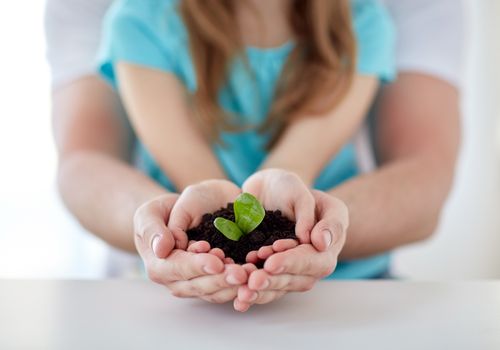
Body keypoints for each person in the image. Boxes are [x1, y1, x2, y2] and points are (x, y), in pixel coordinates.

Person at [45, 0, 463, 312]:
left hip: (345, 289)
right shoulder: (140, 21)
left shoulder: (361, 24)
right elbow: (195, 179)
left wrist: (298, 213)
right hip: (181, 293)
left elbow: (295, 164)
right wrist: (200, 225)